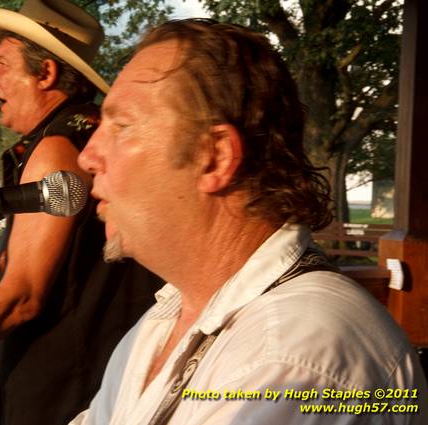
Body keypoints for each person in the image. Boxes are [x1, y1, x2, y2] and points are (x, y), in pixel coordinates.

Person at [71, 19, 428, 425]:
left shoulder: (295, 354)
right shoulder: (166, 318)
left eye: (121, 126)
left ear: (216, 157)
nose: (87, 156)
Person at [0, 1, 162, 424]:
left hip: (57, 391)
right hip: (93, 376)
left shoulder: (56, 150)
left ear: (46, 73)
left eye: (1, 64)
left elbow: (20, 298)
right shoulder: (92, 134)